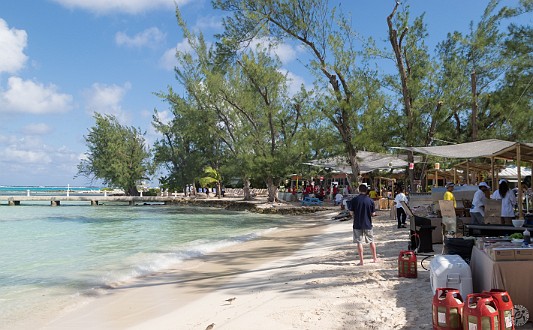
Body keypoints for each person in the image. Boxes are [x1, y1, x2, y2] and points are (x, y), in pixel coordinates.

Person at [349, 184, 378, 265]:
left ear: (359, 190)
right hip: (368, 223)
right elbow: (373, 213)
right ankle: (375, 258)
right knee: (371, 241)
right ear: (366, 191)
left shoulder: (354, 200)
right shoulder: (370, 200)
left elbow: (351, 212)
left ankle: (361, 261)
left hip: (357, 224)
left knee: (359, 242)